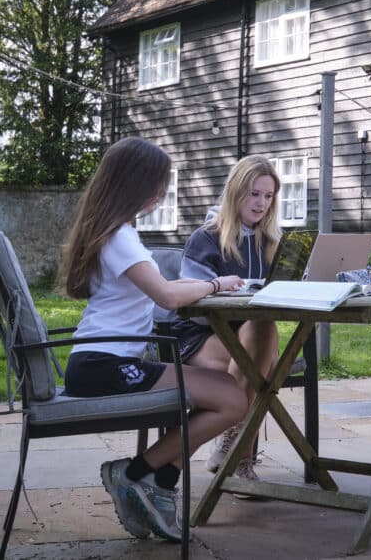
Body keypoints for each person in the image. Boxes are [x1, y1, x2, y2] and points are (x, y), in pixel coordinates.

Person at [58, 137, 248, 541]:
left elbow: (165, 288)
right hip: (104, 365)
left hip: (101, 360)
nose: (162, 193)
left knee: (229, 394)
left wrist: (201, 285)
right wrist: (215, 284)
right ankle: (134, 473)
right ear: (136, 183)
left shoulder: (113, 232)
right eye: (159, 183)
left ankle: (159, 483)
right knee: (232, 399)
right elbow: (166, 295)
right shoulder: (119, 237)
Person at [170, 155, 281, 488]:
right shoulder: (206, 238)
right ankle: (240, 458)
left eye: (268, 196)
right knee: (266, 364)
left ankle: (232, 447)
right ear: (235, 192)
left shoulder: (273, 242)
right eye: (254, 193)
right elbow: (195, 300)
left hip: (249, 333)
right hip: (200, 334)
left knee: (262, 332)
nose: (261, 203)